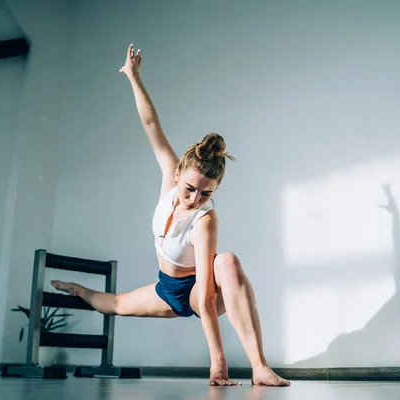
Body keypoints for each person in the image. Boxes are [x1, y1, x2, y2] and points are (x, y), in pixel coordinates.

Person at [50, 44, 290, 387]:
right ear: (178, 173)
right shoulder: (170, 176)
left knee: (229, 263)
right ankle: (76, 289)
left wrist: (218, 363)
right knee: (115, 303)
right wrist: (134, 77)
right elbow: (151, 123)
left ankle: (259, 367)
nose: (195, 198)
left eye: (207, 193)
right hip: (167, 288)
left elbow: (207, 297)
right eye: (190, 188)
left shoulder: (205, 221)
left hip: (195, 290)